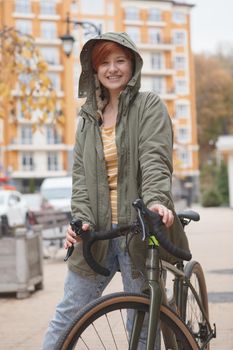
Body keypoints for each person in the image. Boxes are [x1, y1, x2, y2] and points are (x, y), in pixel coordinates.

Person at [42, 31, 190, 349]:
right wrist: (79, 221)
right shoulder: (86, 119)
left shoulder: (148, 106)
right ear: (93, 70)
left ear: (132, 64)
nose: (112, 68)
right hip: (97, 234)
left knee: (140, 325)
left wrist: (156, 202)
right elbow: (81, 180)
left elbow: (155, 160)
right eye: (104, 62)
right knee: (67, 317)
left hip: (138, 228)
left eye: (119, 60)